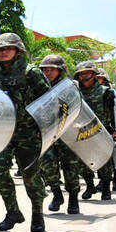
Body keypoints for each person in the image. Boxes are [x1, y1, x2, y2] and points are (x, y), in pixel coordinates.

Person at [0, 33, 50, 232]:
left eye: (8, 48)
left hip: (28, 132)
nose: (4, 51)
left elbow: (48, 101)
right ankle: (12, 211)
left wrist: (45, 131)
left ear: (18, 50)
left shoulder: (31, 73)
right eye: (0, 49)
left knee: (30, 174)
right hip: (1, 132)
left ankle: (37, 212)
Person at [36, 54, 82, 215]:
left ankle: (74, 199)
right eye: (45, 69)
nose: (47, 72)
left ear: (60, 70)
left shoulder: (71, 86)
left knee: (71, 168)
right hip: (48, 133)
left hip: (68, 133)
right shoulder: (38, 86)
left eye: (52, 69)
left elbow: (80, 107)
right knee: (47, 166)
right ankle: (56, 194)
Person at [72, 60, 116, 201]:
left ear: (94, 74)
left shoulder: (107, 92)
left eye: (87, 73)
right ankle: (89, 185)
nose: (84, 76)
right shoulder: (75, 92)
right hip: (81, 132)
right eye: (81, 73)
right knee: (82, 163)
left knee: (104, 162)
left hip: (102, 132)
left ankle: (106, 188)